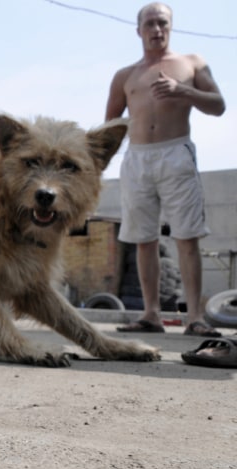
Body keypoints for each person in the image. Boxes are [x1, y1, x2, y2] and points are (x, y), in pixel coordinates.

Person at [105, 2, 226, 338]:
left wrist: (182, 90)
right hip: (138, 158)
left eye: (162, 23)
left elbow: (219, 105)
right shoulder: (124, 76)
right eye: (150, 24)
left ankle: (195, 318)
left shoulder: (191, 63)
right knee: (143, 239)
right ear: (139, 29)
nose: (156, 30)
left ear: (170, 27)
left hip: (176, 153)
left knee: (187, 237)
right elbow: (111, 126)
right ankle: (151, 314)